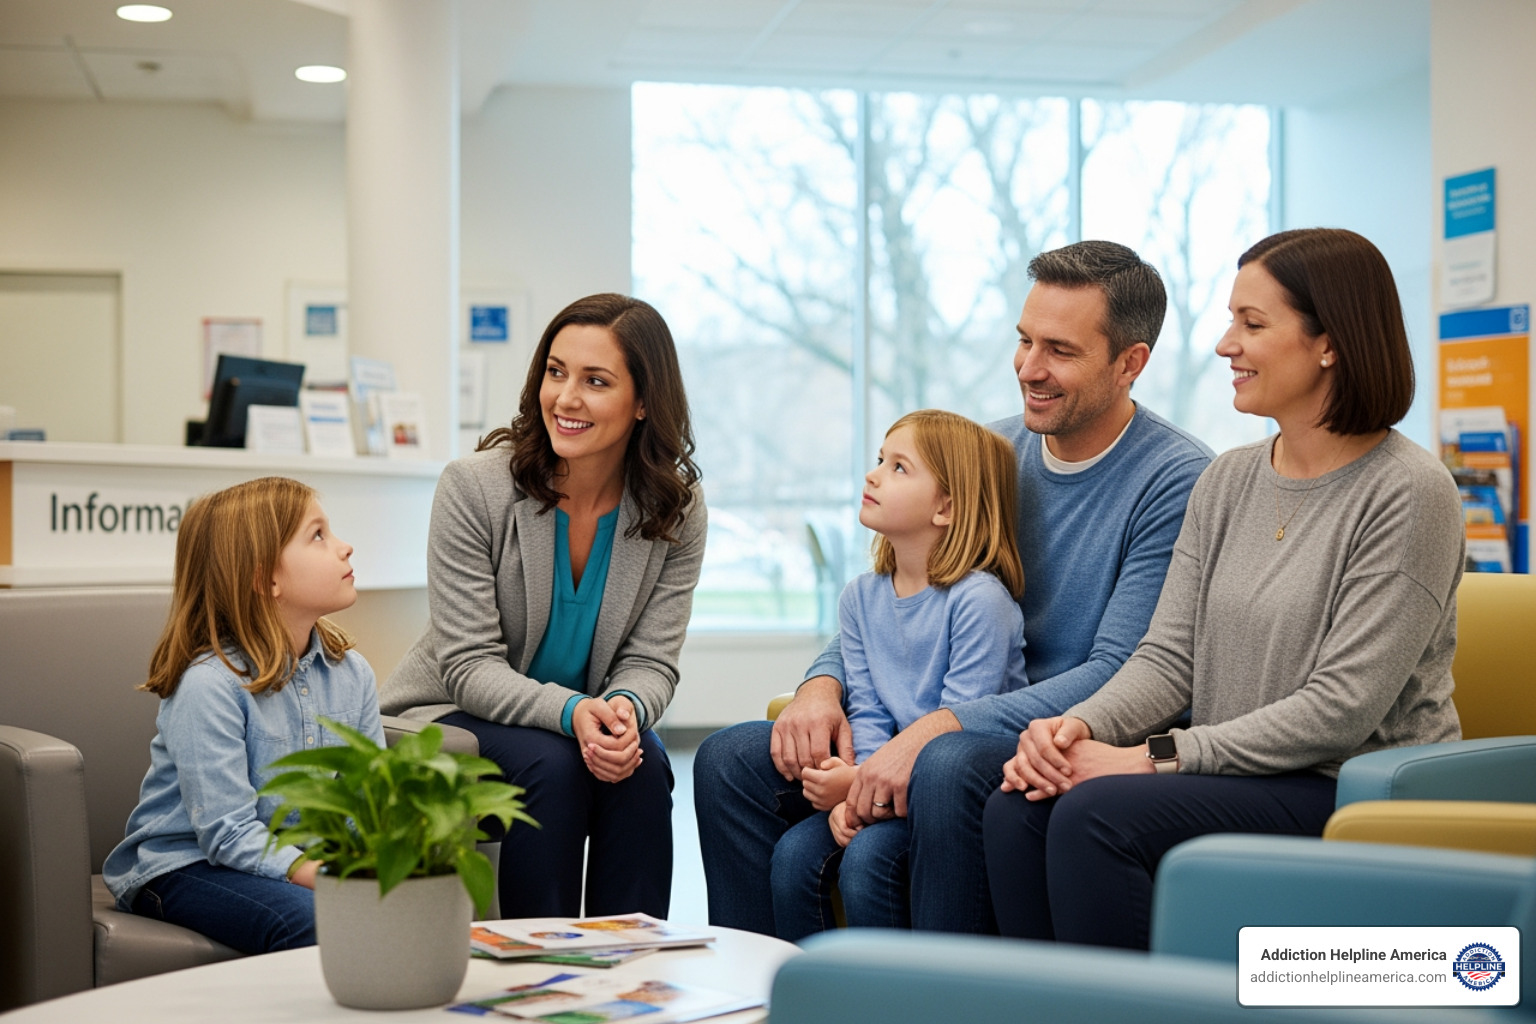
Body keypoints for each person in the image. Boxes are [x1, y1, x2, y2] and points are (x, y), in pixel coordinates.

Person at [694, 241, 1214, 937]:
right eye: (1025, 340)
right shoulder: (991, 453)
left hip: (1042, 736)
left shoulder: (1175, 480)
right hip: (935, 720)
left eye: (1059, 350)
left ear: (1131, 364)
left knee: (944, 763)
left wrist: (940, 727)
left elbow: (1121, 670)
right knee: (730, 759)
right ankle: (764, 993)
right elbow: (892, 598)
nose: (1030, 368)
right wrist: (822, 685)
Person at [984, 227, 1463, 950]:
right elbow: (1167, 659)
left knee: (1097, 814)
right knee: (1018, 800)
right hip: (1231, 772)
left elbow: (1339, 710)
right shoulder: (1229, 479)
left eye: (1252, 323)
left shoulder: (1409, 490)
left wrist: (1149, 758)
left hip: (1344, 785)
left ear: (1329, 342)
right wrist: (1078, 728)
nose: (1224, 345)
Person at [379, 293, 705, 919]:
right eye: (555, 372)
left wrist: (625, 711)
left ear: (644, 402)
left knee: (640, 767)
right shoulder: (473, 488)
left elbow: (652, 661)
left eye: (596, 381)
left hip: (574, 719)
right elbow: (468, 665)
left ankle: (632, 977)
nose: (566, 398)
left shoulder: (677, 510)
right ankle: (538, 978)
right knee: (553, 767)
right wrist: (575, 711)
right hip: (447, 712)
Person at [771, 409, 1029, 941]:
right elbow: (866, 706)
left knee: (867, 863)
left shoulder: (981, 602)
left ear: (947, 506)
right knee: (793, 858)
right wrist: (855, 787)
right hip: (881, 781)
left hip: (949, 799)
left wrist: (858, 794)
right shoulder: (861, 598)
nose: (874, 475)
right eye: (879, 461)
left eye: (899, 467)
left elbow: (957, 728)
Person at [103, 477, 383, 954]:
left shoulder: (351, 672)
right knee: (314, 920)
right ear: (264, 578)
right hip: (186, 866)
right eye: (318, 535)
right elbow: (226, 832)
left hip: (297, 857)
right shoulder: (209, 684)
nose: (344, 547)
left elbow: (366, 805)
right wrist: (331, 877)